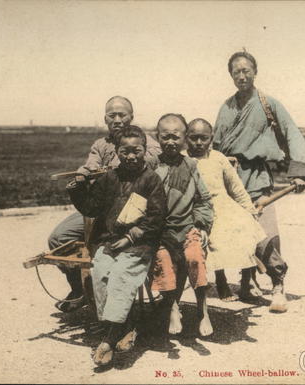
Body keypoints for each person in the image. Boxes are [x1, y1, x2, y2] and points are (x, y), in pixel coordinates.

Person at [212, 51, 305, 313]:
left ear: (255, 72)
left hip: (258, 177)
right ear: (230, 75)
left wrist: (300, 173)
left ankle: (277, 286)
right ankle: (241, 281)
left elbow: (292, 134)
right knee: (232, 231)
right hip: (230, 178)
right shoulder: (225, 108)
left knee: (266, 232)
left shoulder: (269, 104)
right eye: (236, 71)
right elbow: (213, 146)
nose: (241, 76)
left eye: (246, 70)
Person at [48, 96, 161, 313]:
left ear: (132, 117)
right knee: (58, 237)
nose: (117, 119)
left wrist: (122, 161)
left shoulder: (147, 142)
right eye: (112, 115)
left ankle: (113, 300)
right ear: (105, 119)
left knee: (107, 245)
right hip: (103, 208)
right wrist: (85, 175)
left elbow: (151, 161)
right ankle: (79, 289)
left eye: (123, 115)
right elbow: (92, 169)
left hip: (134, 210)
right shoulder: (100, 145)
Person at [66, 125, 167, 366]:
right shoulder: (110, 177)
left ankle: (109, 340)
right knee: (99, 273)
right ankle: (123, 325)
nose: (131, 156)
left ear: (144, 150)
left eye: (137, 150)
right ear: (117, 152)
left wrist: (131, 237)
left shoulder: (151, 180)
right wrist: (78, 189)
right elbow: (92, 208)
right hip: (110, 241)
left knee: (122, 274)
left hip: (139, 243)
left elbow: (157, 217)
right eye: (125, 151)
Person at [184, 118, 266, 301]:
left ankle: (247, 281)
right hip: (197, 207)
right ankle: (221, 280)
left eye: (203, 138)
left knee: (247, 226)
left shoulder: (218, 158)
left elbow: (236, 188)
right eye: (193, 138)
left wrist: (250, 211)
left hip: (223, 205)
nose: (198, 143)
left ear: (211, 138)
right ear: (186, 138)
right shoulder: (183, 159)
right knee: (215, 235)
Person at [149, 113, 215, 337]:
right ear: (157, 137)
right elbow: (138, 199)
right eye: (165, 137)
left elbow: (204, 200)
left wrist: (201, 225)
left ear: (185, 138)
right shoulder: (150, 165)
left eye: (176, 137)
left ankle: (203, 311)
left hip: (187, 229)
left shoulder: (190, 165)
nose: (170, 142)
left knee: (195, 258)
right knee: (164, 261)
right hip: (159, 233)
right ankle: (173, 308)